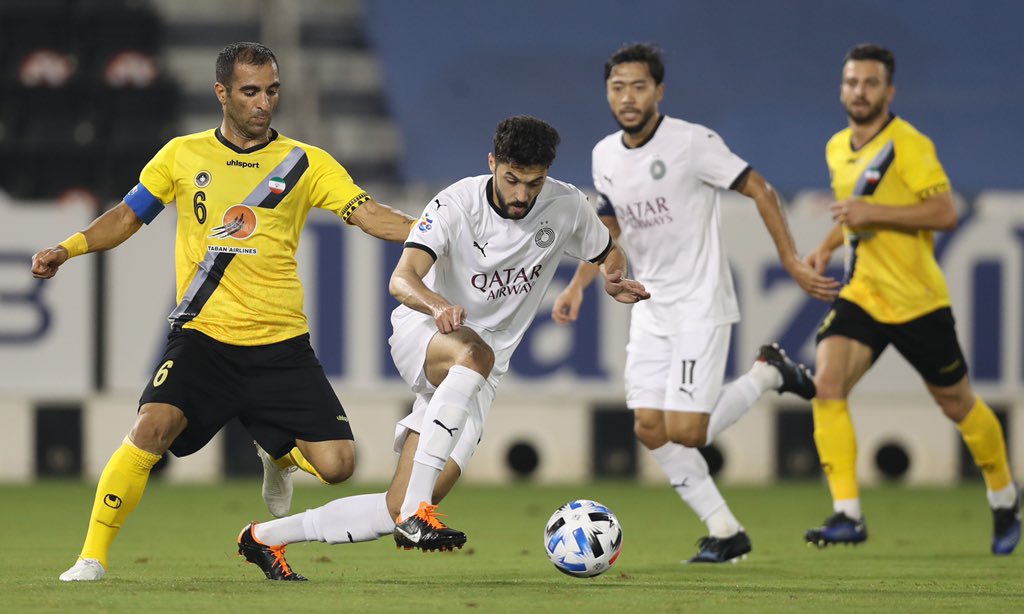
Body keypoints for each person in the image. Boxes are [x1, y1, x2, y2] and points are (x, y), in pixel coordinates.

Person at [33, 42, 417, 582]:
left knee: (338, 466)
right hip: (204, 337)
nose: (264, 103)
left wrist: (436, 231)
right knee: (151, 427)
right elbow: (126, 216)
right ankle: (91, 558)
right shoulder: (182, 155)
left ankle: (278, 454)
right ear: (222, 93)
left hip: (281, 343)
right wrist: (67, 248)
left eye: (272, 90)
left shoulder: (306, 162)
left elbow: (370, 214)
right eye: (251, 91)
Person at [234, 114, 650, 581]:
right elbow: (401, 278)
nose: (521, 195)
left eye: (532, 183)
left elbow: (606, 249)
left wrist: (614, 278)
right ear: (493, 163)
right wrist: (436, 305)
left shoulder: (566, 205)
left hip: (479, 374)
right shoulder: (455, 203)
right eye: (511, 179)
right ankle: (417, 514)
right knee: (473, 357)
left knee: (401, 501)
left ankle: (264, 538)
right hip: (425, 333)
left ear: (546, 174)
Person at [550, 43, 839, 564]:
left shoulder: (692, 142)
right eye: (618, 87)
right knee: (648, 428)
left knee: (688, 431)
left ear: (659, 91)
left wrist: (793, 261)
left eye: (639, 86)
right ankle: (726, 531)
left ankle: (767, 374)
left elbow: (763, 190)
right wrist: (578, 285)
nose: (628, 97)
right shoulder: (604, 155)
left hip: (701, 303)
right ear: (607, 94)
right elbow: (608, 228)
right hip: (651, 306)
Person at [802, 44, 1020, 554]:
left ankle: (1005, 496)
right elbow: (852, 217)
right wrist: (826, 245)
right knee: (827, 384)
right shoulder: (837, 146)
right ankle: (847, 514)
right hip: (864, 294)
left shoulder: (909, 145)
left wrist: (870, 214)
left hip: (918, 300)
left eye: (871, 83)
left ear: (889, 91)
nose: (860, 91)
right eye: (852, 82)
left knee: (956, 404)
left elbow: (944, 213)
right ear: (842, 88)